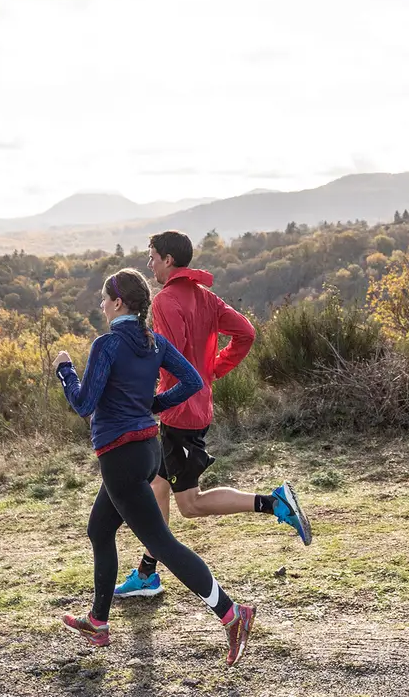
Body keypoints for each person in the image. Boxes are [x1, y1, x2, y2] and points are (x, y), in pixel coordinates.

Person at [54, 268, 256, 666]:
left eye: (103, 299)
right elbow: (193, 381)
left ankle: (232, 614)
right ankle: (97, 622)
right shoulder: (154, 342)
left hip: (121, 456)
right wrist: (154, 405)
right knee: (99, 530)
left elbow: (83, 404)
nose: (101, 305)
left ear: (118, 303)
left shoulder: (107, 345)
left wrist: (65, 371)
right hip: (148, 449)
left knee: (162, 543)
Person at [114, 230, 311, 601]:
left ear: (168, 259)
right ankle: (146, 574)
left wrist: (147, 390)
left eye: (152, 257)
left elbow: (168, 357)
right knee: (158, 487)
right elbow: (246, 333)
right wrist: (213, 370)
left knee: (190, 504)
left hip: (179, 411)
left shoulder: (165, 300)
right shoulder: (205, 296)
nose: (149, 264)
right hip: (194, 404)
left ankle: (274, 503)